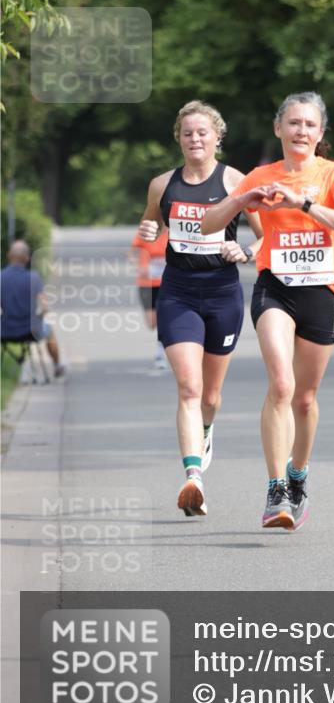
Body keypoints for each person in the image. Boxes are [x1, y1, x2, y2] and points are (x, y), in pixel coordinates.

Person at [201, 92, 334, 531]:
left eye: (310, 125)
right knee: (281, 384)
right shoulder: (262, 175)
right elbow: (208, 223)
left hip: (323, 290)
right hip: (276, 287)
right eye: (293, 123)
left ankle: (297, 474)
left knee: (305, 398)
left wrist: (302, 204)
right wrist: (241, 199)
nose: (301, 131)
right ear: (279, 129)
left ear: (320, 133)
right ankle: (276, 490)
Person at [137, 100, 263, 518]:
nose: (195, 139)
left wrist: (243, 251)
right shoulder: (161, 184)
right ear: (179, 137)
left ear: (217, 137)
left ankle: (206, 430)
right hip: (178, 292)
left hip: (223, 292)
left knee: (210, 395)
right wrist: (148, 228)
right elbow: (152, 222)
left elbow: (266, 237)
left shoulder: (237, 181)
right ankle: (194, 478)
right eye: (188, 133)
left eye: (202, 133)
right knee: (189, 389)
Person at [1, 239, 65, 377]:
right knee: (49, 330)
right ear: (27, 258)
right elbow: (45, 306)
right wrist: (41, 316)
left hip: (5, 331)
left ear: (8, 255)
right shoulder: (34, 278)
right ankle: (57, 366)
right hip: (30, 331)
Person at [130, 229, 169, 369]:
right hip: (147, 283)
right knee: (152, 322)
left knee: (165, 317)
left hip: (168, 283)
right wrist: (139, 267)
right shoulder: (147, 230)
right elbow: (133, 253)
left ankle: (160, 352)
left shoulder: (176, 230)